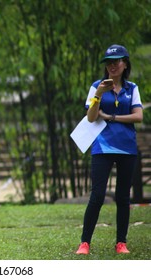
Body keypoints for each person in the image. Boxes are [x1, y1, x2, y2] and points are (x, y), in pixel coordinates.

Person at [76, 44, 143, 255]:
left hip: (127, 148)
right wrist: (98, 94)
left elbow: (138, 116)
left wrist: (112, 117)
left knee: (123, 197)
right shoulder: (97, 86)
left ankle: (121, 243)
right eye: (108, 63)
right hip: (102, 147)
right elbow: (91, 116)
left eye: (116, 62)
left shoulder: (131, 88)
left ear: (125, 64)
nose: (112, 66)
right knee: (97, 196)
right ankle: (85, 243)